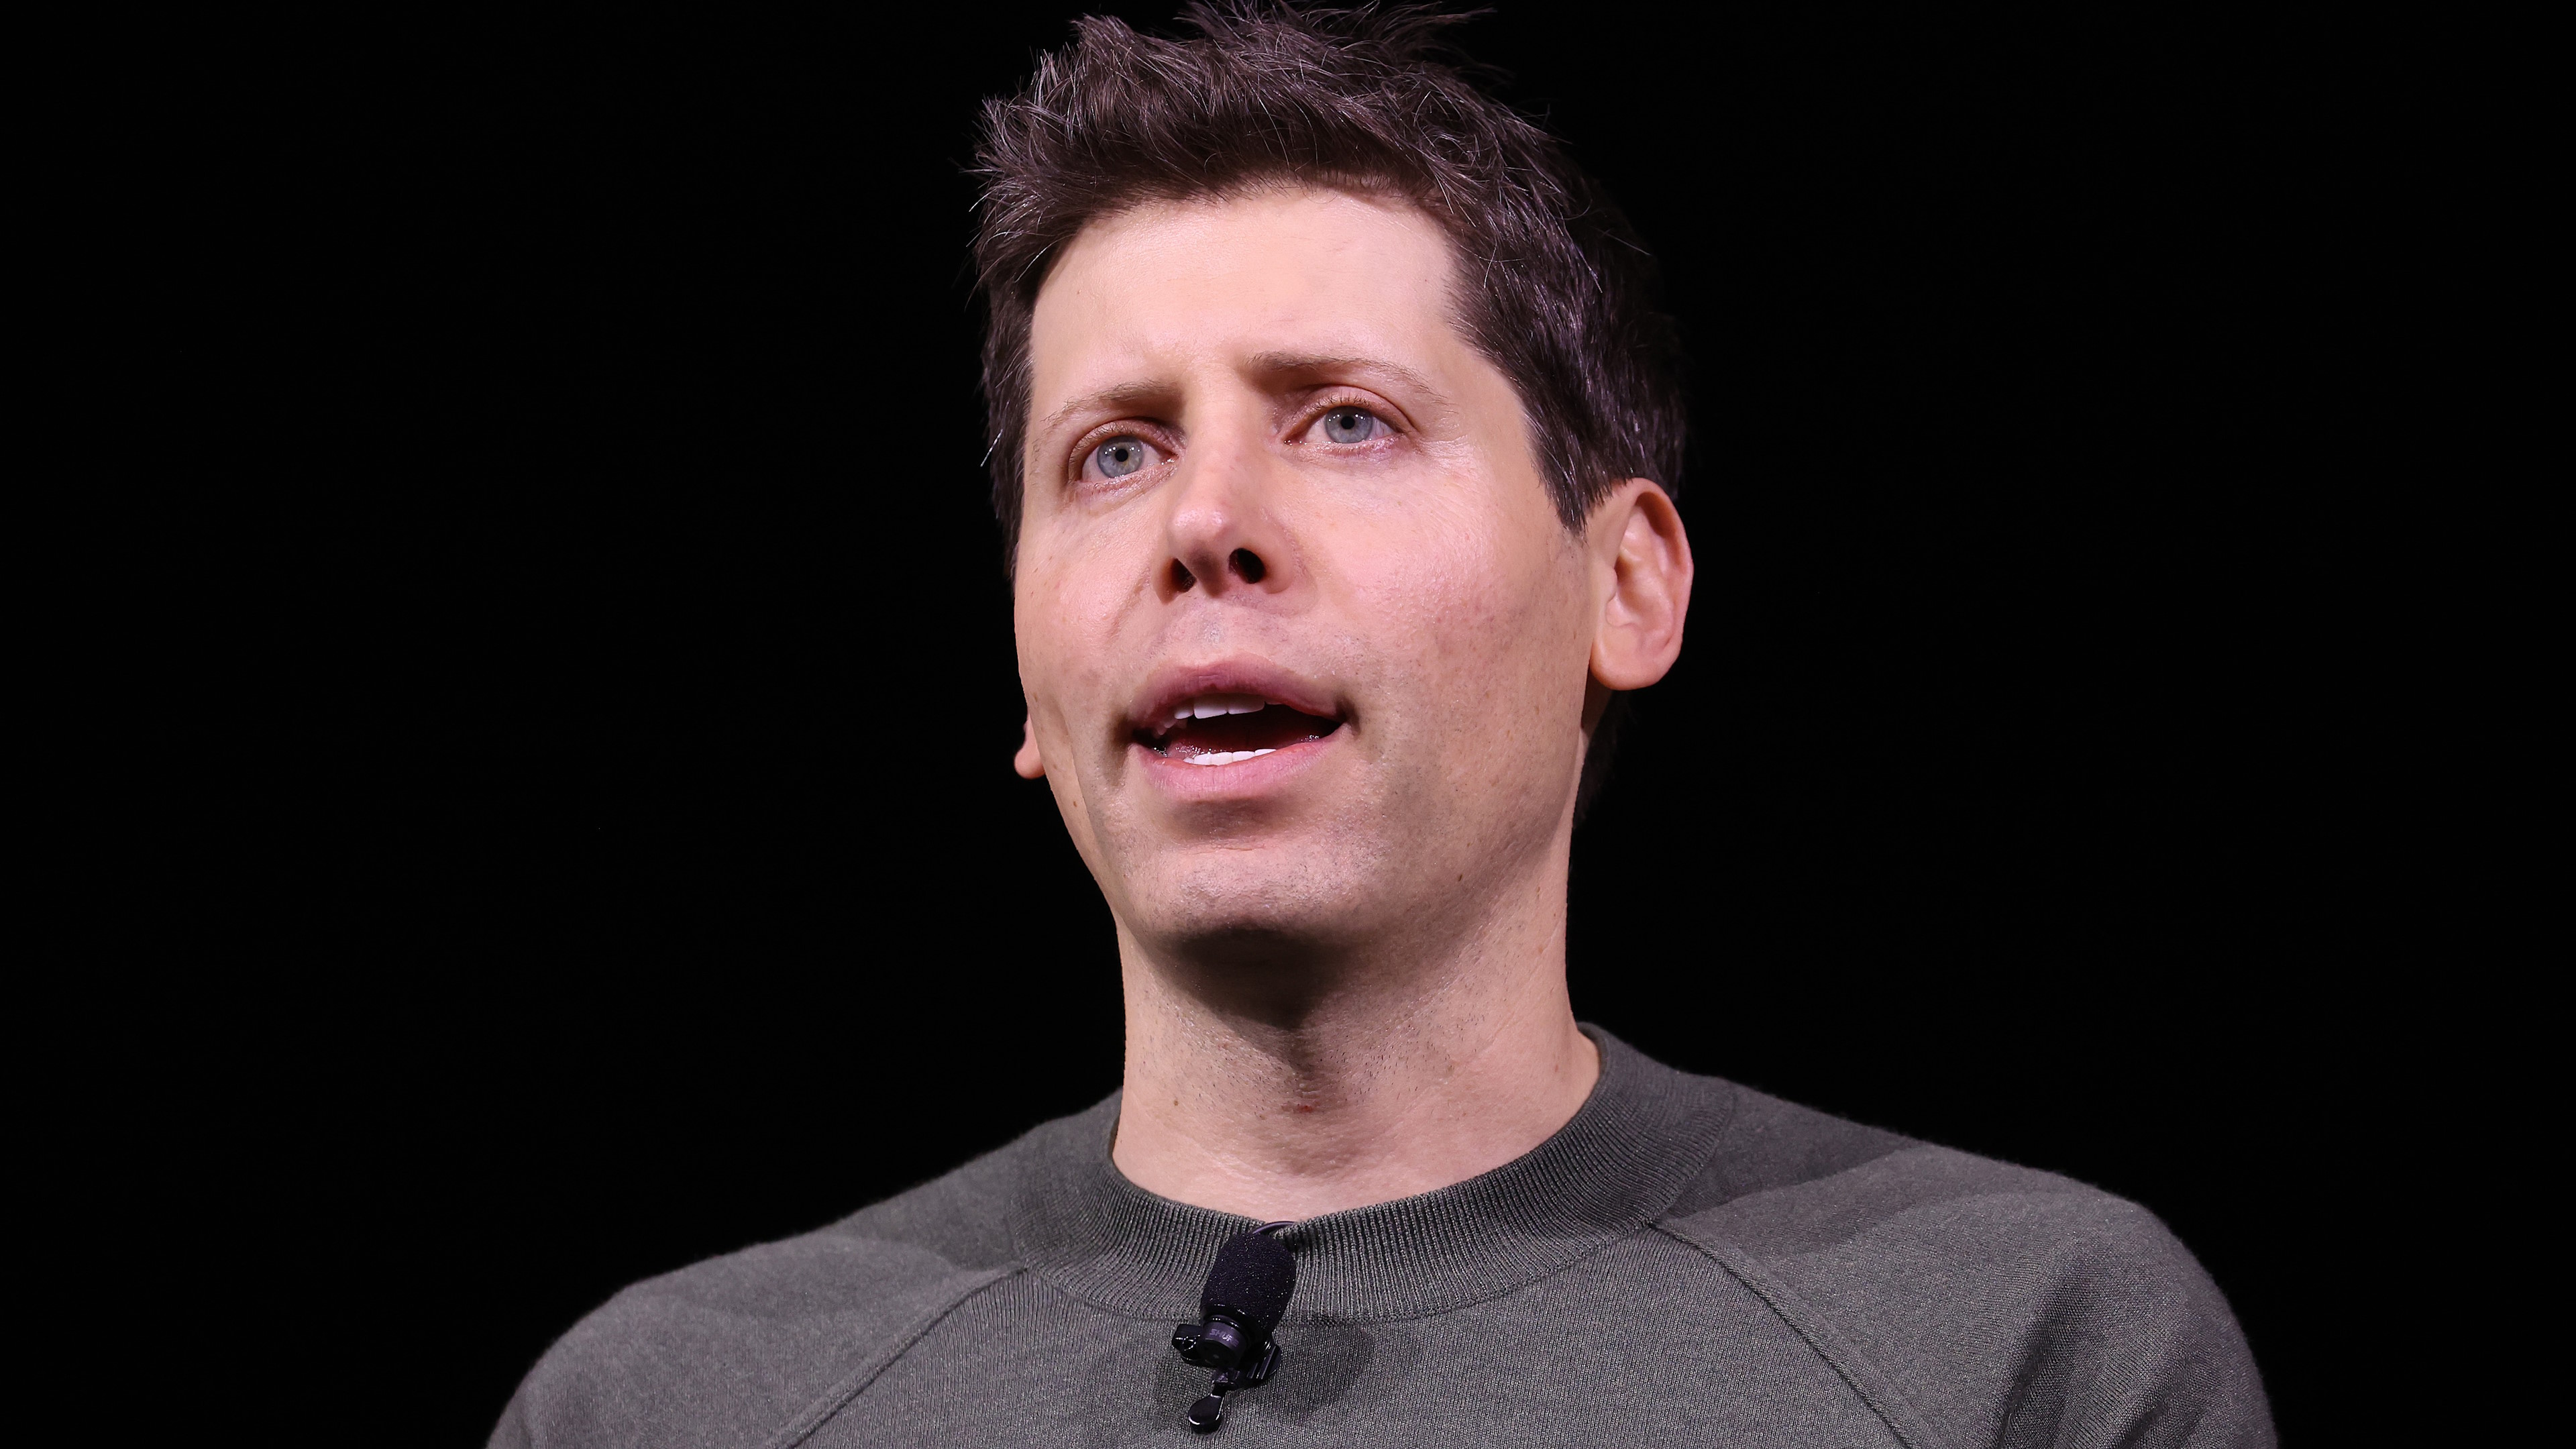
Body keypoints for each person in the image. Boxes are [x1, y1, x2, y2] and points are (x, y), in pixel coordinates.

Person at [490, 5, 2272, 1444]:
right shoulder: (673, 1404)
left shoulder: (2020, 1346)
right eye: (1114, 452)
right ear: (1030, 678)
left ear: (1627, 585)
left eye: (1343, 420)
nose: (1204, 521)